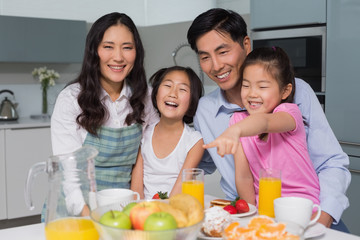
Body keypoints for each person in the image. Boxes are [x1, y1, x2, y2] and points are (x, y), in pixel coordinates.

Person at [187, 8, 350, 231]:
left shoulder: (297, 93)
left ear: (246, 44)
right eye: (205, 57)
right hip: (254, 215)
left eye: (222, 52)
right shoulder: (205, 110)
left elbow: (331, 163)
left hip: (314, 213)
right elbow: (200, 160)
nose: (215, 66)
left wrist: (322, 222)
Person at [51, 12, 158, 216]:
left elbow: (145, 157)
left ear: (137, 53)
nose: (118, 57)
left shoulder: (146, 97)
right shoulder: (71, 99)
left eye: (127, 47)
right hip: (77, 211)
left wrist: (138, 206)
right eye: (108, 47)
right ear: (94, 51)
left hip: (122, 210)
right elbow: (69, 173)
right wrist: (88, 217)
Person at [204, 46, 320, 208]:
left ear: (285, 91)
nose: (252, 93)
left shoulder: (289, 113)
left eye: (262, 87)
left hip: (301, 204)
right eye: (246, 85)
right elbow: (244, 177)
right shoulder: (237, 121)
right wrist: (251, 213)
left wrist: (235, 131)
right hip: (263, 206)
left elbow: (264, 123)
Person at [131, 66, 204, 199]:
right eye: (167, 85)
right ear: (156, 93)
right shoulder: (143, 133)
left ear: (192, 101)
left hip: (175, 210)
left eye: (182, 89)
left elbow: (180, 189)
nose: (173, 93)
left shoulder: (194, 141)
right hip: (143, 212)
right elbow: (136, 191)